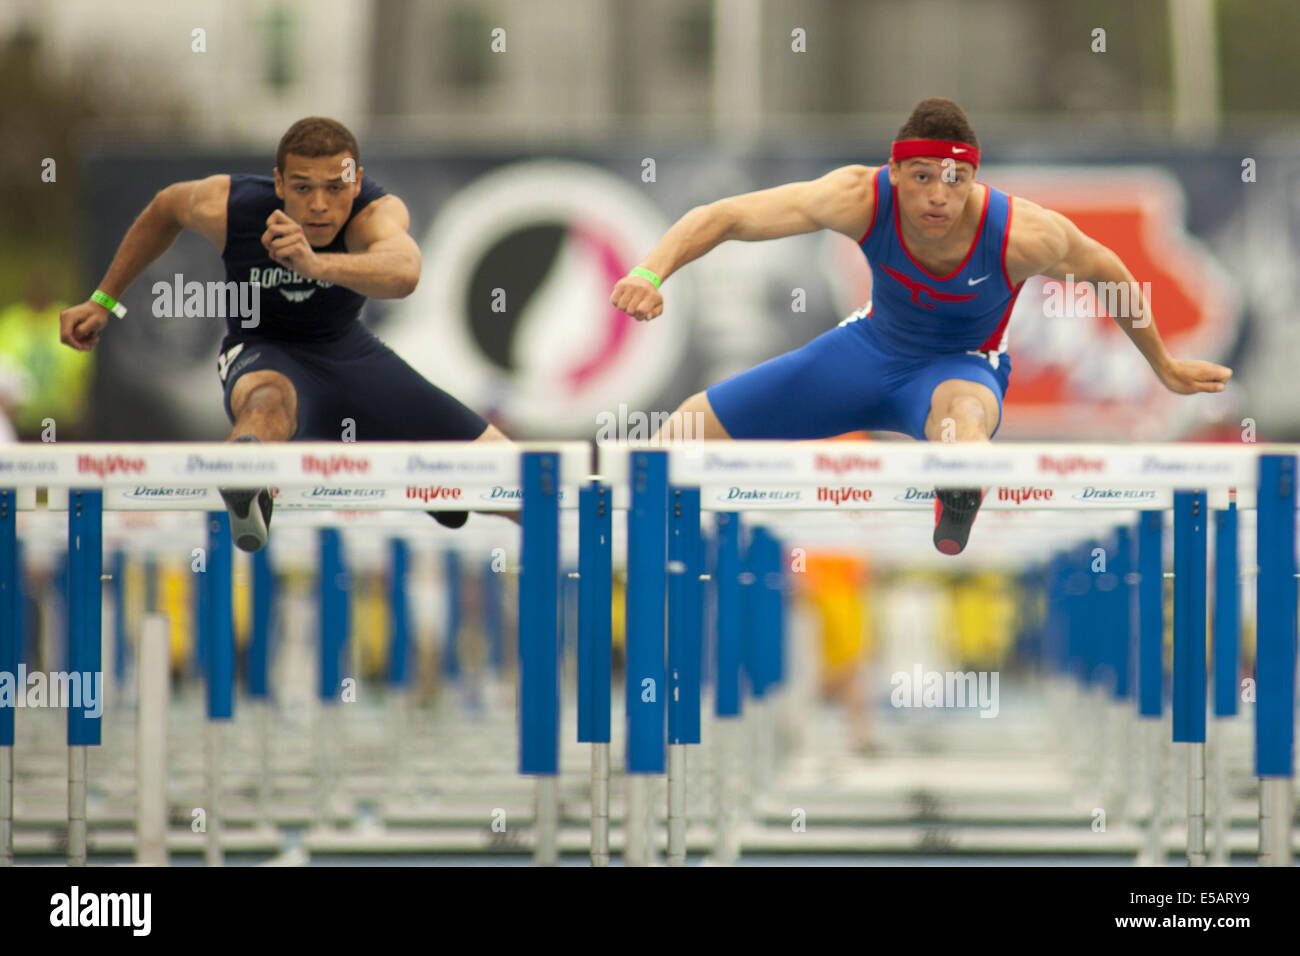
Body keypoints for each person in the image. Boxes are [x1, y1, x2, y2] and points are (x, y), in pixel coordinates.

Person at [610, 97, 1233, 554]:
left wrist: (1164, 366)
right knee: (682, 432)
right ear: (896, 172)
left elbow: (1110, 273)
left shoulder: (1022, 233)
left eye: (956, 180)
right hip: (867, 352)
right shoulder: (858, 196)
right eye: (924, 178)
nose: (939, 195)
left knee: (962, 424)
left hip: (961, 366)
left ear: (974, 179)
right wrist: (650, 272)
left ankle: (959, 481)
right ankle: (612, 532)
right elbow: (725, 217)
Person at [59, 116, 507, 551]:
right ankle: (247, 482)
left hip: (351, 358)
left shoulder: (375, 212)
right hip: (263, 350)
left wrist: (314, 264)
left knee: (516, 477)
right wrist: (103, 300)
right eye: (302, 188)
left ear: (356, 182)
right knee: (267, 403)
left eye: (335, 188)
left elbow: (405, 273)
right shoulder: (232, 207)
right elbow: (165, 208)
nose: (318, 204)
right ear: (278, 184)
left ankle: (427, 475)